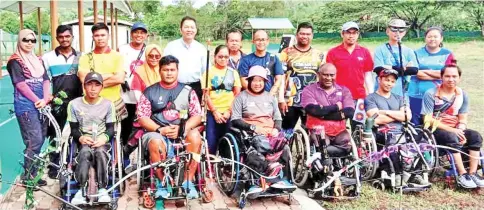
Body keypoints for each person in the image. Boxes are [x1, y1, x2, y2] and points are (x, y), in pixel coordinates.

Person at [137, 55, 202, 199]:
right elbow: (142, 117)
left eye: (172, 70)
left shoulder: (188, 91)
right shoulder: (149, 92)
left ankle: (187, 181)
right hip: (157, 131)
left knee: (196, 136)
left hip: (181, 130)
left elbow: (197, 115)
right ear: (160, 71)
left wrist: (182, 129)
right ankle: (163, 183)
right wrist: (160, 129)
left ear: (177, 71)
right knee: (155, 142)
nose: (169, 73)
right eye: (165, 70)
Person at [231, 65, 296, 195]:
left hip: (270, 132)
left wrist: (276, 129)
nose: (257, 84)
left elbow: (278, 118)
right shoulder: (241, 97)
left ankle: (282, 179)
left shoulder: (270, 98)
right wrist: (253, 128)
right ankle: (260, 180)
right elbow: (235, 120)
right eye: (254, 80)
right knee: (260, 144)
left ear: (265, 82)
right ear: (249, 81)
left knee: (284, 146)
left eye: (260, 81)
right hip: (251, 133)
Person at [421, 64, 484, 189]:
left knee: (475, 136)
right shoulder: (431, 94)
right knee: (451, 137)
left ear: (459, 78)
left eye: (454, 76)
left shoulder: (462, 95)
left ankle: (472, 173)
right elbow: (427, 118)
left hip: (456, 127)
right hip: (436, 129)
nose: (451, 79)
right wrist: (453, 131)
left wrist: (461, 129)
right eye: (447, 76)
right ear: (441, 77)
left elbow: (463, 117)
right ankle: (462, 174)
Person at [365, 68, 430, 187]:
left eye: (392, 81)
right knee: (392, 141)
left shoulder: (400, 98)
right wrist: (397, 116)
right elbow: (376, 119)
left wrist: (384, 112)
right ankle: (395, 175)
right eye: (386, 80)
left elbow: (407, 116)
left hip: (403, 130)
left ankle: (415, 174)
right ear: (379, 79)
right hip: (382, 132)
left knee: (422, 140)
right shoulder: (371, 98)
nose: (389, 83)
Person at [7, 29, 51, 186]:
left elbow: (45, 80)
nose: (29, 43)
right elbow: (20, 85)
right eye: (26, 40)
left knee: (40, 139)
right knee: (34, 140)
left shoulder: (37, 59)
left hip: (41, 105)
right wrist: (37, 100)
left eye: (33, 40)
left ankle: (34, 173)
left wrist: (45, 99)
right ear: (20, 41)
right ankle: (28, 178)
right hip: (26, 106)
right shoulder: (15, 61)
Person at [42, 24, 83, 179]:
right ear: (57, 38)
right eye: (61, 37)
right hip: (57, 103)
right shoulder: (48, 57)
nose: (64, 39)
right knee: (56, 134)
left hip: (78, 102)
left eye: (67, 36)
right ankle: (54, 166)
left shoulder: (82, 56)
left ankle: (76, 163)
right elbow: (43, 80)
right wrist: (48, 97)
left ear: (72, 37)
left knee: (77, 132)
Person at [68, 72, 115, 205]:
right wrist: (81, 138)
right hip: (83, 141)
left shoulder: (108, 105)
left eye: (97, 85)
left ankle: (102, 188)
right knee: (84, 153)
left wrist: (104, 138)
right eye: (89, 84)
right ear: (84, 86)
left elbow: (111, 129)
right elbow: (74, 129)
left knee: (100, 152)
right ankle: (81, 190)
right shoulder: (74, 104)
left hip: (101, 140)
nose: (93, 88)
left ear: (102, 88)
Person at [122, 44, 163, 171]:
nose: (154, 58)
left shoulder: (164, 70)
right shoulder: (140, 71)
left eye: (157, 56)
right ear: (146, 56)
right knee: (136, 135)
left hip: (162, 110)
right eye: (151, 56)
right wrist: (149, 108)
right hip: (144, 110)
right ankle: (124, 156)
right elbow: (137, 93)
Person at [300, 63, 355, 157]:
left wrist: (322, 114)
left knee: (347, 146)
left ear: (336, 75)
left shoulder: (344, 90)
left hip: (339, 130)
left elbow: (349, 111)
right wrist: (336, 107)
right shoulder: (309, 90)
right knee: (323, 144)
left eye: (332, 75)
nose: (329, 78)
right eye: (325, 74)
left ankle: (335, 162)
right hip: (318, 129)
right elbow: (313, 110)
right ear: (318, 74)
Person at [279, 22, 324, 130]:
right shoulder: (286, 52)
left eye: (308, 34)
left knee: (312, 133)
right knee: (285, 134)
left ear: (312, 36)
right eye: (302, 33)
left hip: (312, 101)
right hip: (290, 101)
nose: (305, 36)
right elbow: (281, 77)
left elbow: (323, 79)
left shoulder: (319, 54)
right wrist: (281, 98)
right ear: (297, 34)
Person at [78, 23, 126, 122]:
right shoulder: (85, 57)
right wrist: (110, 75)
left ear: (109, 36)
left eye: (103, 35)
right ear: (93, 37)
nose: (100, 38)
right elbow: (84, 79)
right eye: (97, 35)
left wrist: (94, 81)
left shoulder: (117, 56)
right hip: (91, 104)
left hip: (113, 104)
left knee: (112, 135)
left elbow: (119, 78)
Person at [408, 27, 455, 125]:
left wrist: (425, 72)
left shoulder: (448, 54)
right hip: (416, 94)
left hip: (438, 95)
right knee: (416, 123)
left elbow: (450, 73)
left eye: (435, 36)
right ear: (425, 38)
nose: (432, 39)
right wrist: (438, 74)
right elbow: (417, 73)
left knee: (434, 122)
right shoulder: (416, 53)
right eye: (429, 36)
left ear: (441, 38)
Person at [201, 45, 241, 154]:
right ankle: (212, 168)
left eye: (226, 57)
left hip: (229, 112)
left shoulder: (233, 73)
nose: (223, 59)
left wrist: (229, 111)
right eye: (220, 56)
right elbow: (206, 94)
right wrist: (214, 111)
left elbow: (237, 94)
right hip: (212, 111)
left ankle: (227, 167)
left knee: (228, 143)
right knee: (211, 142)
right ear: (215, 57)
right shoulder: (208, 73)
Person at [118, 22, 149, 152]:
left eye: (142, 33)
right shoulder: (122, 49)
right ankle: (122, 155)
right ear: (131, 34)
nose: (139, 35)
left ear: (146, 35)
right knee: (125, 125)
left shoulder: (148, 51)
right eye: (136, 32)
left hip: (142, 96)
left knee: (140, 128)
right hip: (125, 94)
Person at [326, 21, 374, 100]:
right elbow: (329, 77)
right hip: (339, 96)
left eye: (354, 33)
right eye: (348, 33)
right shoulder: (333, 53)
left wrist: (371, 94)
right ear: (342, 34)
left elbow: (368, 75)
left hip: (359, 96)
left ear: (358, 34)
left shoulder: (364, 52)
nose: (351, 36)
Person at [163, 16, 207, 100]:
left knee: (194, 113)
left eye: (192, 27)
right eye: (186, 27)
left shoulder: (201, 48)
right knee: (175, 112)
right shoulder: (171, 46)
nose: (189, 30)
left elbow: (206, 71)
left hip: (196, 87)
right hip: (175, 86)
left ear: (196, 30)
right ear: (180, 30)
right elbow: (164, 68)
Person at [373, 19, 418, 97]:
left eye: (401, 31)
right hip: (381, 93)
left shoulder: (409, 51)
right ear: (387, 31)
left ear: (404, 33)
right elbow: (378, 70)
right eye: (394, 30)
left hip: (402, 93)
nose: (397, 33)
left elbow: (414, 70)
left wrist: (389, 67)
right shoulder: (380, 49)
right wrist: (404, 69)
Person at [238, 30, 283, 96]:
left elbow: (279, 78)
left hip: (269, 96)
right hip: (251, 97)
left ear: (267, 41)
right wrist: (256, 95)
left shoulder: (274, 58)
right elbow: (243, 80)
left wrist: (271, 93)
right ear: (253, 41)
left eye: (263, 39)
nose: (261, 42)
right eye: (258, 40)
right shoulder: (246, 59)